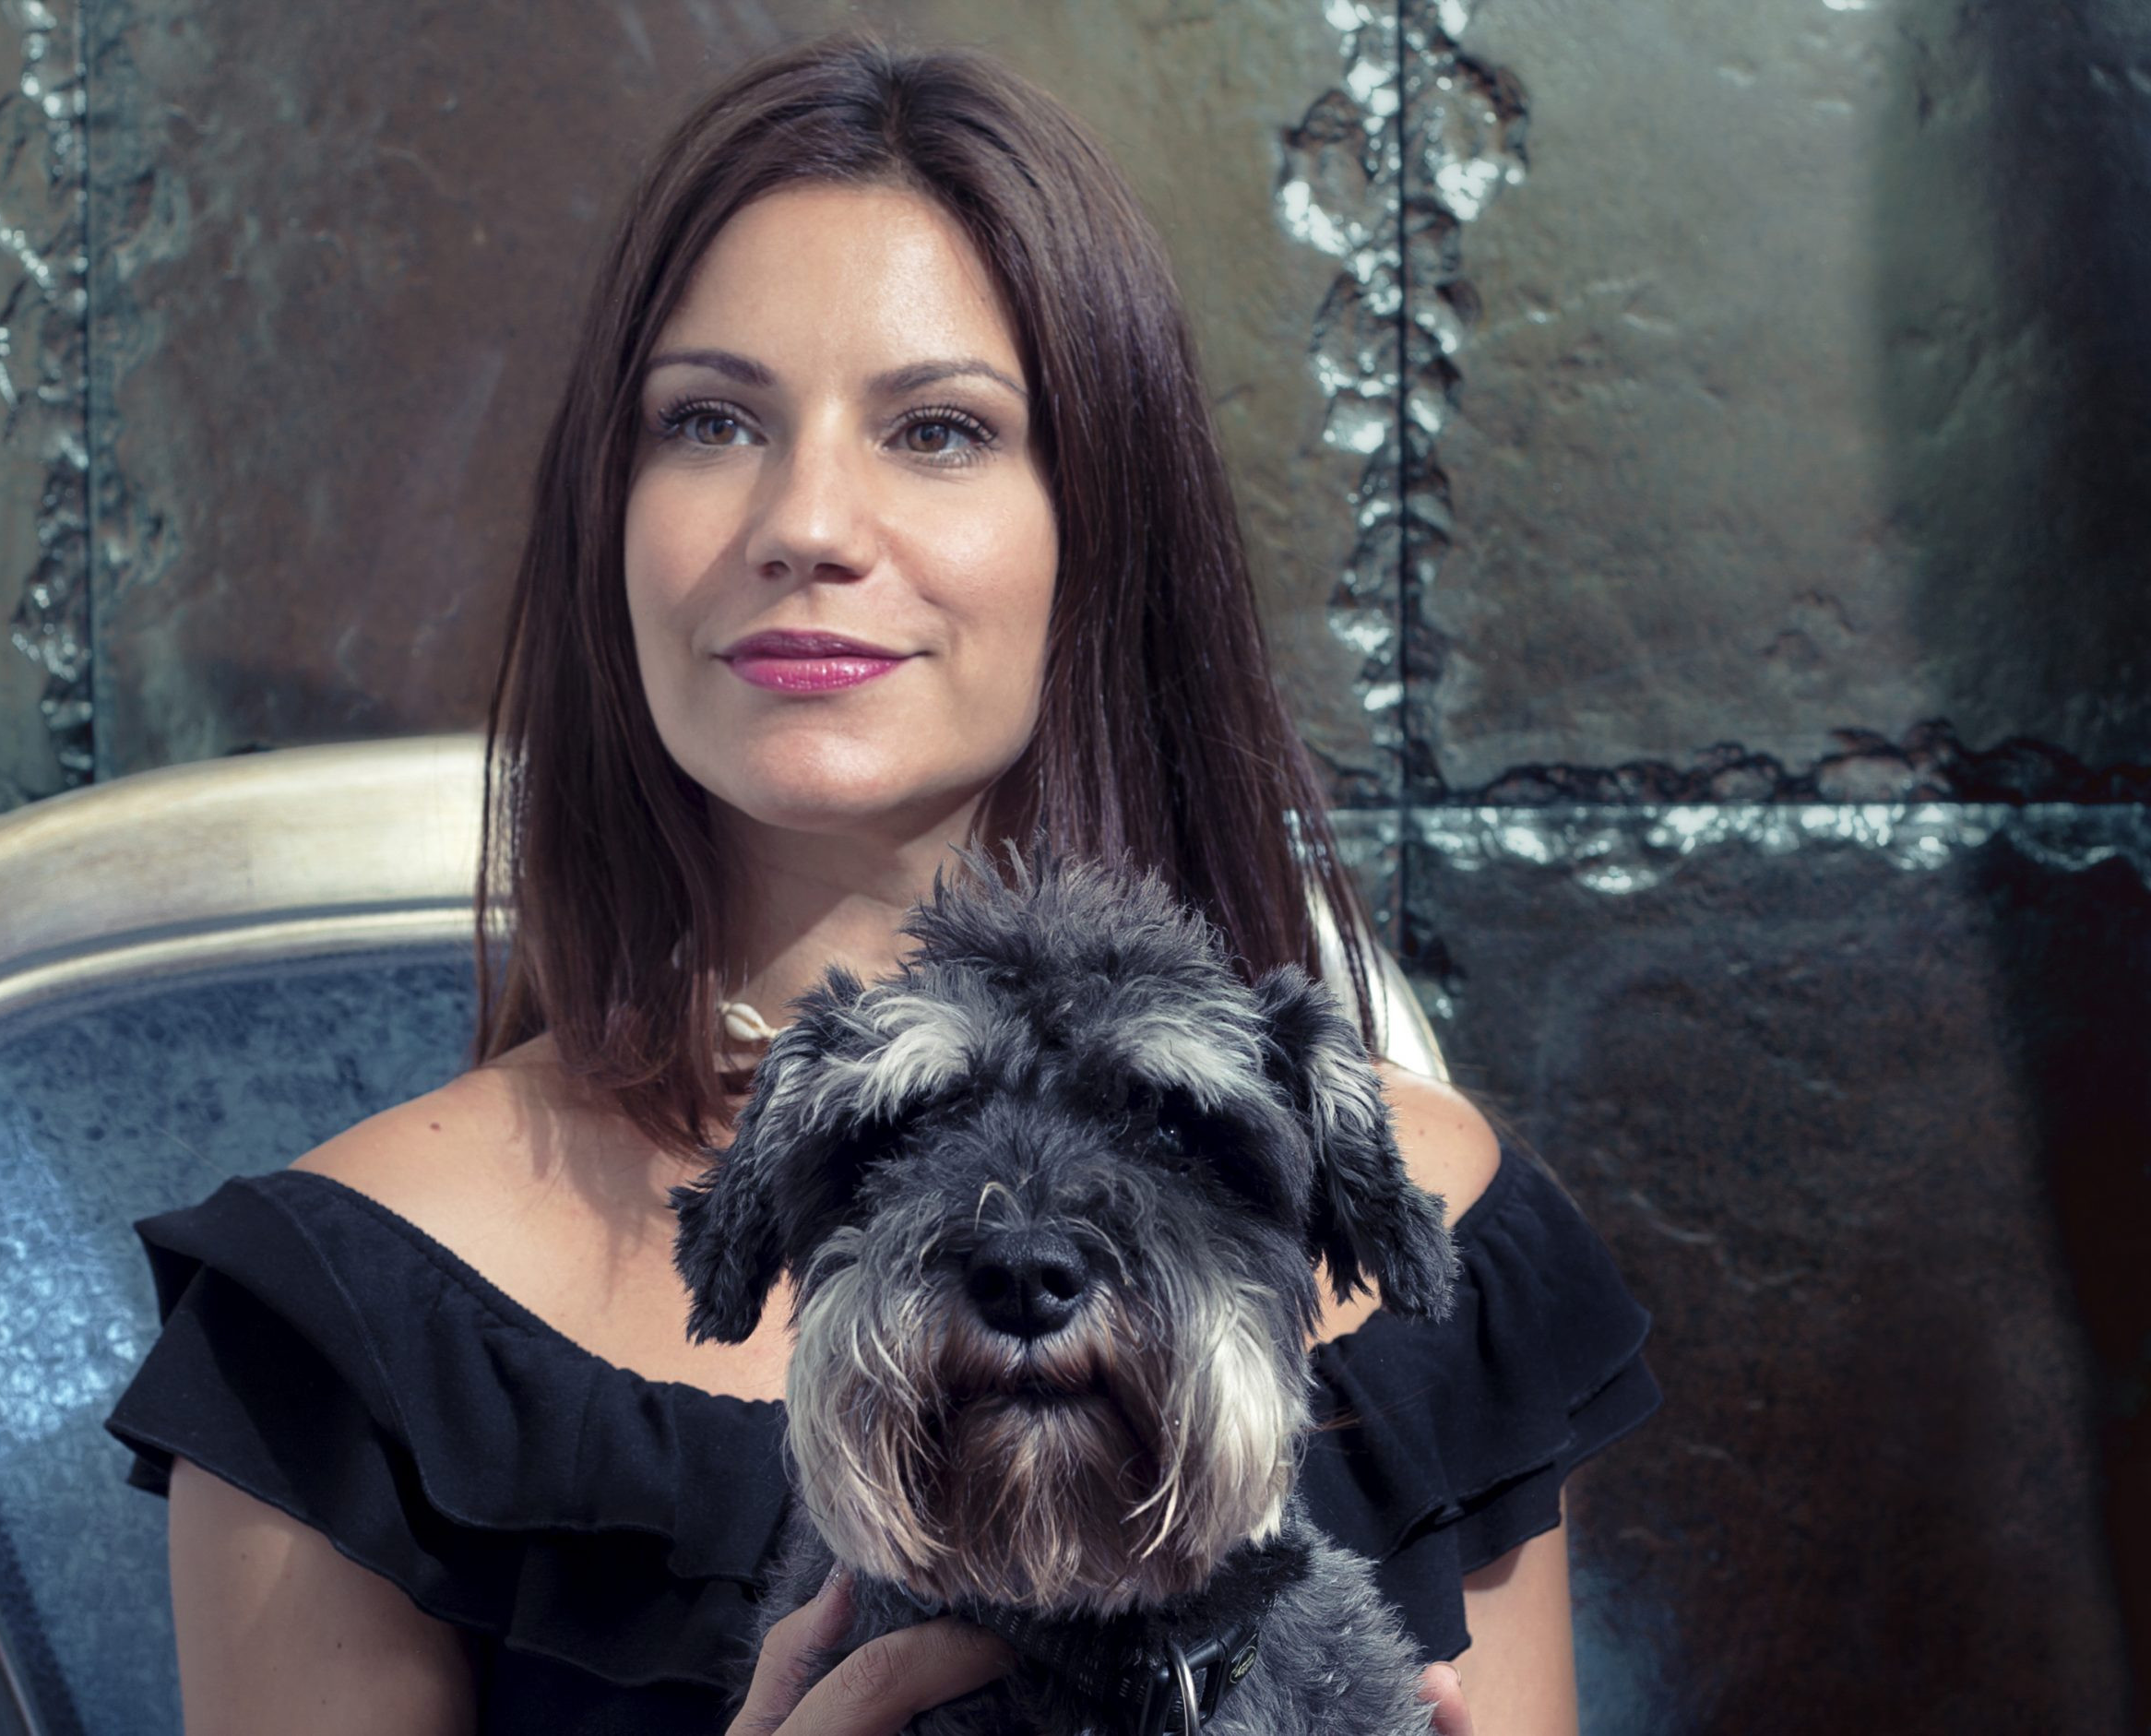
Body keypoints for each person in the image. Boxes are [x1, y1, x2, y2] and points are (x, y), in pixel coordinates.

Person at [105, 30, 1659, 1736]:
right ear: (606, 511)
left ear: (1103, 520)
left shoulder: (1449, 1246)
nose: (810, 521)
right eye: (710, 421)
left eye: (937, 429)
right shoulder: (342, 1328)